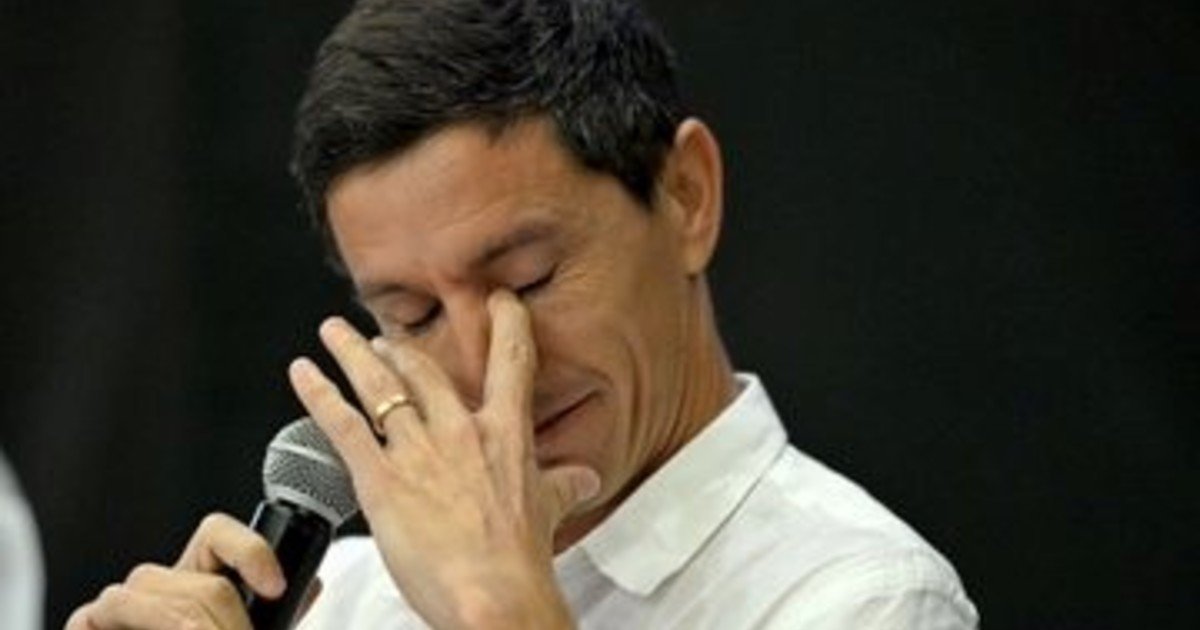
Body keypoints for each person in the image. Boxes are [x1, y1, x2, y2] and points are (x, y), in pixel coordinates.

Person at [67, 0, 979, 628]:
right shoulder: (342, 597)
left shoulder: (859, 596)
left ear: (686, 197)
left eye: (529, 280)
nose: (484, 363)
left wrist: (500, 613)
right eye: (415, 315)